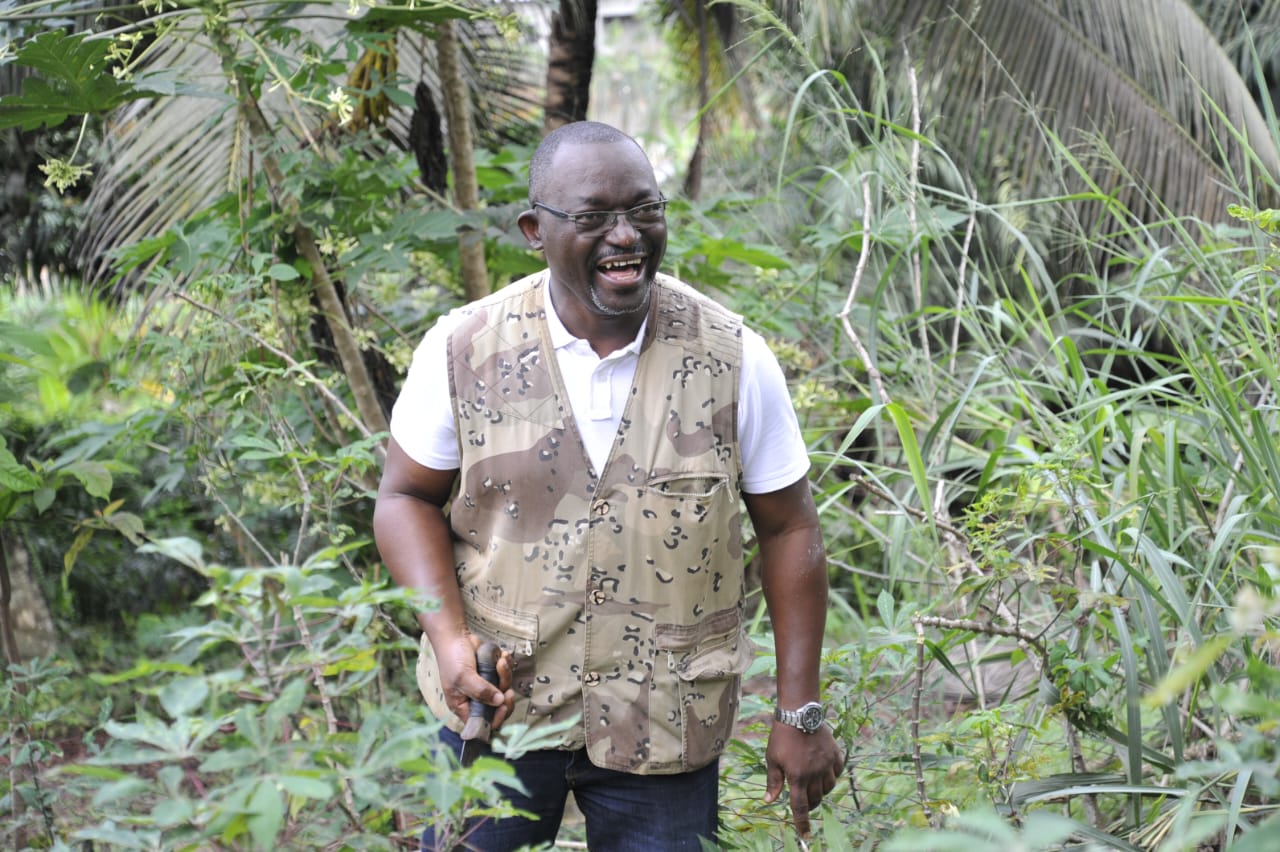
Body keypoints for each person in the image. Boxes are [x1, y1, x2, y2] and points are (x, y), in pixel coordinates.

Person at [374, 120, 841, 851]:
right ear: (535, 230)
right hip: (498, 709)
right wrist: (447, 639)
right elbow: (404, 498)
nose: (625, 235)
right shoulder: (463, 349)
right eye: (592, 216)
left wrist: (799, 710)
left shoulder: (733, 357)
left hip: (666, 719)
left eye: (644, 210)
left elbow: (790, 528)